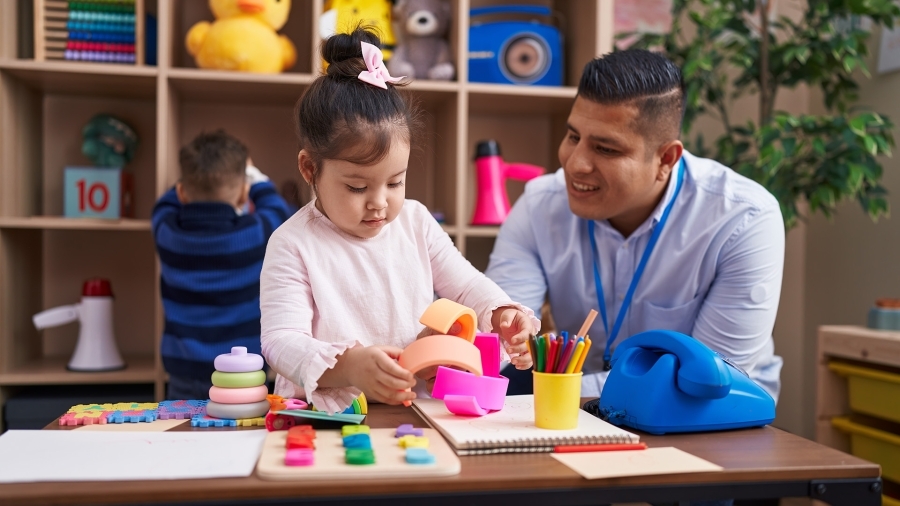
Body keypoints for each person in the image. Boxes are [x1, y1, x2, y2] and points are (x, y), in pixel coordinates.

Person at [259, 27, 539, 415]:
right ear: (310, 168)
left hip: (415, 410)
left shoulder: (416, 222)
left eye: (395, 182)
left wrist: (501, 313)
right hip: (326, 414)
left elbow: (467, 285)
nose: (379, 204)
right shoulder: (293, 243)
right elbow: (279, 340)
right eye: (357, 187)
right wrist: (347, 366)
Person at [486, 49, 785, 404]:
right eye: (572, 137)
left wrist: (557, 387)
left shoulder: (742, 218)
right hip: (577, 412)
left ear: (665, 159)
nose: (576, 164)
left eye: (606, 149)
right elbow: (503, 343)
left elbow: (711, 378)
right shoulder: (539, 206)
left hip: (708, 416)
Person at [153, 130, 292, 400]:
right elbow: (277, 208)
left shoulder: (167, 233)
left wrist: (194, 177)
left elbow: (163, 205)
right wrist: (253, 175)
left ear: (181, 190)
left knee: (183, 437)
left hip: (184, 370)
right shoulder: (256, 234)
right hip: (245, 372)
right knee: (241, 437)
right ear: (244, 194)